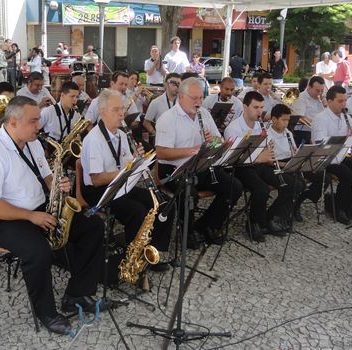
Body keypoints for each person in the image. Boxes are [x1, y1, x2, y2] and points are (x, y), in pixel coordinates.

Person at [0, 96, 107, 335]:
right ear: (14, 121)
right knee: (38, 252)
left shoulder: (32, 141)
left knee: (93, 226)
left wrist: (58, 184)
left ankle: (76, 294)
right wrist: (31, 217)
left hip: (38, 207)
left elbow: (45, 176)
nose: (40, 126)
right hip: (2, 219)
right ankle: (45, 312)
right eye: (34, 121)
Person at [81, 89, 170, 256]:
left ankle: (155, 252)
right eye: (116, 110)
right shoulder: (94, 139)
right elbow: (97, 179)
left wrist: (138, 159)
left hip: (119, 185)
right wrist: (126, 170)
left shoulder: (122, 134)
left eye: (122, 109)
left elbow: (127, 164)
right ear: (102, 112)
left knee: (162, 202)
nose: (122, 114)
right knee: (137, 212)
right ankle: (131, 257)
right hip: (99, 191)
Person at [155, 78, 243, 248]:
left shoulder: (204, 113)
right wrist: (192, 150)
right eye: (194, 98)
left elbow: (219, 140)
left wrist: (214, 140)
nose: (198, 102)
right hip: (173, 169)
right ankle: (186, 233)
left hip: (200, 165)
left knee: (234, 187)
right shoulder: (168, 118)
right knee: (190, 194)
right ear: (181, 96)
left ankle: (207, 225)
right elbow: (161, 152)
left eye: (201, 98)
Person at [224, 92, 294, 241]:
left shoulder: (260, 126)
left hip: (259, 165)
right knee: (261, 189)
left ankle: (272, 218)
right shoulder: (233, 128)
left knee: (290, 183)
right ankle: (254, 224)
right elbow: (232, 159)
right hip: (240, 167)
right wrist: (259, 156)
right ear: (245, 106)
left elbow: (262, 153)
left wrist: (267, 148)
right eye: (255, 107)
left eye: (261, 107)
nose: (259, 111)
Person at [310, 85, 352, 224]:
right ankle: (338, 208)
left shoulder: (346, 116)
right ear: (329, 101)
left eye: (345, 100)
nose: (344, 104)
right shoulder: (321, 118)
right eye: (340, 101)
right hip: (326, 158)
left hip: (342, 155)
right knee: (349, 176)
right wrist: (345, 140)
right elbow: (321, 145)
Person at [267, 104, 306, 227]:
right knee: (294, 185)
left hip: (288, 162)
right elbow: (268, 160)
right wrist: (285, 164)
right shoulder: (267, 134)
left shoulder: (288, 132)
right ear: (274, 119)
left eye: (288, 120)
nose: (286, 123)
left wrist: (297, 158)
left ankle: (284, 214)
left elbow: (293, 150)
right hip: (274, 165)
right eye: (283, 120)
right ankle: (275, 216)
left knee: (301, 184)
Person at [290, 76, 326, 145]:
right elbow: (300, 118)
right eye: (317, 90)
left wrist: (326, 106)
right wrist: (318, 123)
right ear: (309, 87)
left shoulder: (320, 98)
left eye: (322, 90)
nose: (320, 93)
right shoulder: (301, 98)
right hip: (304, 131)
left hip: (318, 131)